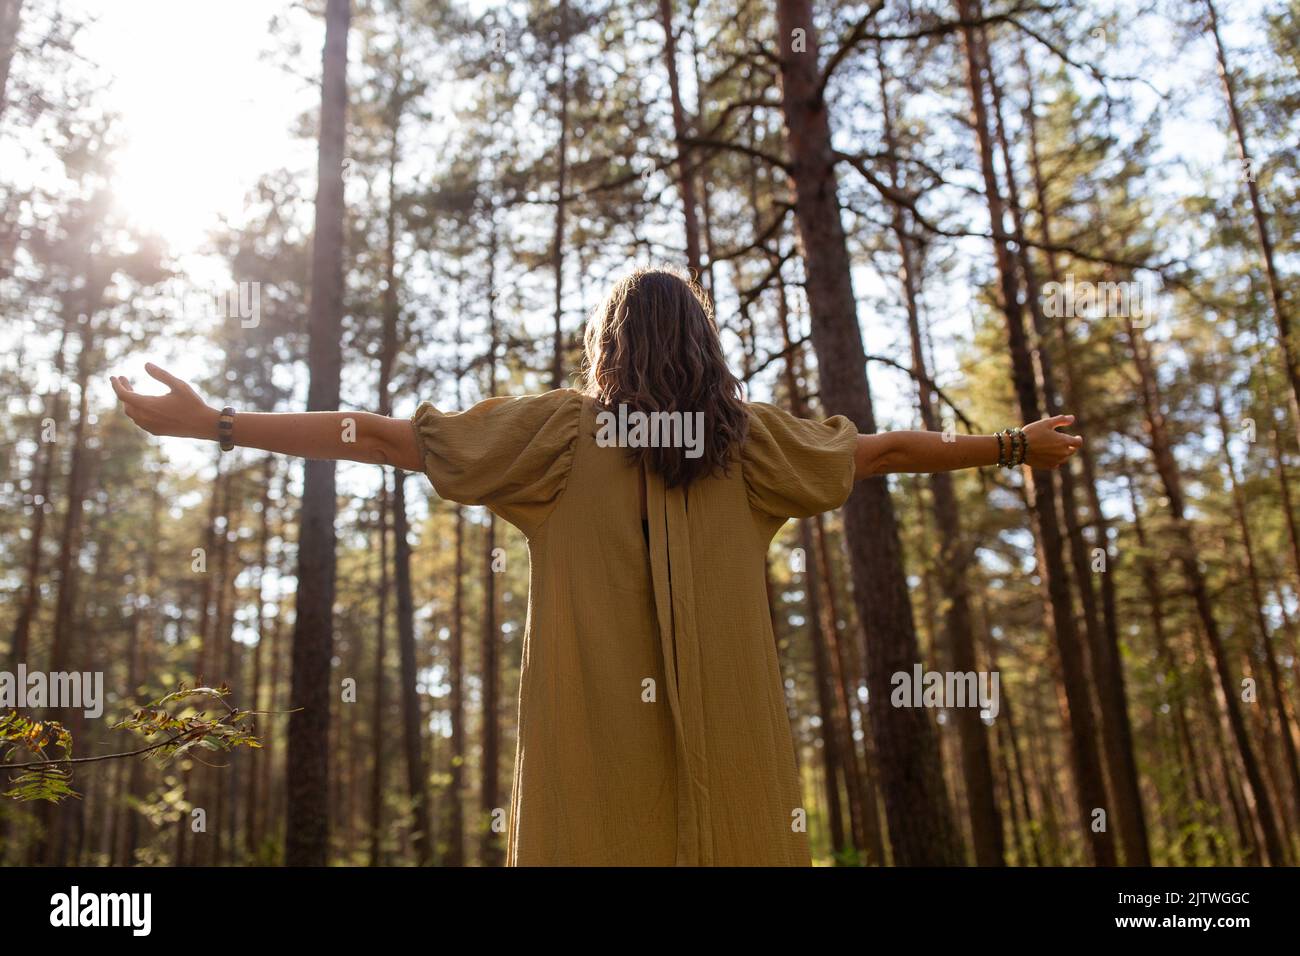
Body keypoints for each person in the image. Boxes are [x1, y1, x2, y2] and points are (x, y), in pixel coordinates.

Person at [113, 267, 1082, 866]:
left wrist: (221, 421)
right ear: (704, 347)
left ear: (606, 347)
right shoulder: (751, 446)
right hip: (740, 801)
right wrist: (1007, 443)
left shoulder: (561, 437)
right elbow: (886, 451)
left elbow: (384, 435)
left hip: (588, 809)